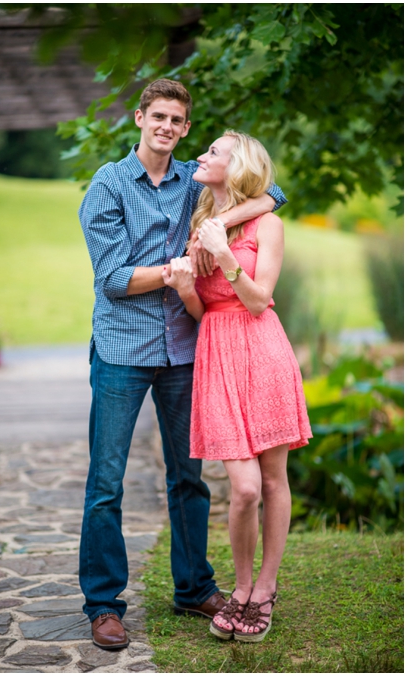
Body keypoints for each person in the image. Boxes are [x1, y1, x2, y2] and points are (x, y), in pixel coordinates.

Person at [77, 78, 288, 651]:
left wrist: (214, 234)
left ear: (186, 128)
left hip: (186, 349)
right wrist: (178, 266)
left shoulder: (191, 181)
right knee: (106, 482)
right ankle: (103, 603)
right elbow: (115, 279)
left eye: (177, 120)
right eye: (158, 117)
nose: (166, 127)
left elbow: (275, 196)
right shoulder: (108, 184)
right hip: (122, 349)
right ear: (140, 118)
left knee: (188, 478)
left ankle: (194, 588)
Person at [162, 130, 311, 642]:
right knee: (243, 489)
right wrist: (186, 289)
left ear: (238, 164)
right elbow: (207, 312)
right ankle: (239, 586)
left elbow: (257, 301)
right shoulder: (200, 224)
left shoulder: (269, 225)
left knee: (272, 480)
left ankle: (262, 591)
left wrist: (224, 253)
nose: (200, 157)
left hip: (264, 351)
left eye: (213, 153)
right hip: (218, 355)